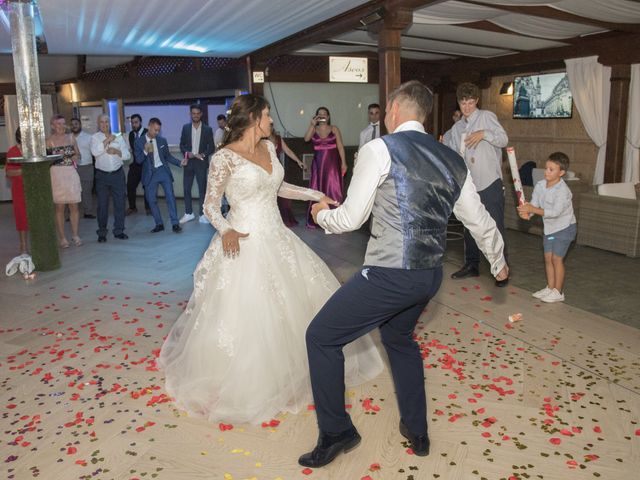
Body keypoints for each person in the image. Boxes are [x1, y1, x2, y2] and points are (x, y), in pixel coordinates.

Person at [300, 80, 508, 468]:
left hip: (390, 275)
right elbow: (478, 220)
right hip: (428, 277)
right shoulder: (451, 159)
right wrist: (498, 261)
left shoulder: (380, 149)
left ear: (394, 108)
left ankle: (337, 431)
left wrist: (319, 215)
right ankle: (418, 429)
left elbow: (351, 218)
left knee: (321, 337)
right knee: (399, 339)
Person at [158, 94, 383, 425]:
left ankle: (288, 374)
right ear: (252, 118)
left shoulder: (268, 148)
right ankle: (246, 381)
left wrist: (314, 194)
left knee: (291, 309)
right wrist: (225, 229)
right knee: (249, 316)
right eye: (267, 116)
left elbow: (279, 187)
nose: (272, 121)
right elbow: (209, 204)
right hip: (243, 241)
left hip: (277, 238)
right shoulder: (224, 159)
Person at [446, 82, 509, 287]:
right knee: (470, 225)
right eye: (463, 103)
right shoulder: (456, 128)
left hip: (489, 181)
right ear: (459, 103)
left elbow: (503, 139)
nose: (467, 107)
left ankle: (501, 269)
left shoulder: (486, 117)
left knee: (495, 226)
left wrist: (484, 134)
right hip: (469, 184)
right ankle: (471, 264)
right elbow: (451, 150)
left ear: (477, 102)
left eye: (471, 103)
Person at [517, 152, 576, 303]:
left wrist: (532, 210)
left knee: (557, 258)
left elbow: (555, 213)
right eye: (546, 168)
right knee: (548, 258)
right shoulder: (540, 185)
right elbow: (535, 204)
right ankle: (550, 288)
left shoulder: (563, 191)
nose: (547, 172)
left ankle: (558, 291)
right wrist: (527, 214)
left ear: (561, 173)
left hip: (564, 228)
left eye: (551, 169)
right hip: (550, 229)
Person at [134, 117, 183, 234]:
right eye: (155, 130)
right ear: (149, 126)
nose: (156, 132)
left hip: (163, 171)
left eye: (158, 130)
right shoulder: (139, 142)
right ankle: (159, 224)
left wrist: (179, 162)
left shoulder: (162, 140)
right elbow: (138, 160)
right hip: (150, 174)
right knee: (151, 200)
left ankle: (175, 223)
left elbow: (167, 156)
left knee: (170, 197)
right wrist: (145, 151)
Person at [303, 106, 347, 228]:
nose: (322, 116)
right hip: (318, 166)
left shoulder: (334, 129)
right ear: (316, 117)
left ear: (328, 117)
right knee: (317, 190)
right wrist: (312, 124)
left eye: (324, 114)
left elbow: (340, 147)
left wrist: (344, 162)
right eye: (319, 114)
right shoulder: (314, 129)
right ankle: (316, 219)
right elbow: (306, 139)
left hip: (333, 165)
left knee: (333, 189)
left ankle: (335, 220)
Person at [91, 114, 131, 242]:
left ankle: (119, 230)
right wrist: (108, 140)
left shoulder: (118, 137)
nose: (104, 124)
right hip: (102, 176)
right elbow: (95, 152)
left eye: (107, 122)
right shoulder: (95, 138)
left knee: (120, 204)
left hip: (117, 175)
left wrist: (117, 152)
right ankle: (102, 232)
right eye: (102, 122)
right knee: (102, 205)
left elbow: (127, 156)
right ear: (98, 124)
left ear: (110, 123)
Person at [46, 114, 83, 248]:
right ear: (52, 126)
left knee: (74, 205)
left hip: (70, 172)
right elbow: (44, 161)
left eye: (63, 123)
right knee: (59, 207)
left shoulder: (71, 137)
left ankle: (75, 234)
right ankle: (62, 238)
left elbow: (79, 155)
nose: (61, 126)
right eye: (58, 124)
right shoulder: (48, 141)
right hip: (56, 174)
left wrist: (75, 156)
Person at [179, 104, 214, 225]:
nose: (196, 115)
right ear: (190, 114)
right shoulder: (185, 128)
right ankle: (189, 213)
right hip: (189, 162)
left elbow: (212, 147)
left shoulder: (208, 129)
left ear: (201, 114)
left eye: (198, 113)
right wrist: (188, 154)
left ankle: (202, 214)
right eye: (193, 113)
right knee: (186, 188)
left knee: (202, 190)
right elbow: (182, 145)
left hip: (201, 163)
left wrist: (202, 155)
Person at [268, 130, 304, 227]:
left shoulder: (278, 139)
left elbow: (288, 151)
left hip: (278, 169)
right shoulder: (261, 140)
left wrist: (298, 161)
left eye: (271, 125)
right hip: (266, 169)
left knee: (284, 195)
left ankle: (284, 219)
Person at [5, 128, 29, 254]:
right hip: (19, 189)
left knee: (37, 216)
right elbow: (9, 172)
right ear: (19, 136)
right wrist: (25, 171)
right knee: (22, 217)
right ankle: (23, 246)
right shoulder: (12, 151)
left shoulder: (35, 150)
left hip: (36, 188)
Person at [70, 117, 95, 219]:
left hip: (86, 167)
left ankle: (88, 212)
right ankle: (71, 213)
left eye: (76, 123)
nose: (74, 126)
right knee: (71, 191)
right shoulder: (68, 138)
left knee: (86, 191)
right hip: (71, 168)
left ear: (80, 125)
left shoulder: (89, 137)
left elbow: (94, 152)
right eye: (72, 124)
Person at [126, 113, 149, 215]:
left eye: (136, 122)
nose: (134, 125)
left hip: (146, 165)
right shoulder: (131, 134)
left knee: (147, 187)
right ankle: (132, 207)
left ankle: (148, 208)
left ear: (140, 122)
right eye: (132, 123)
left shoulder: (147, 133)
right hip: (135, 165)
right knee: (130, 185)